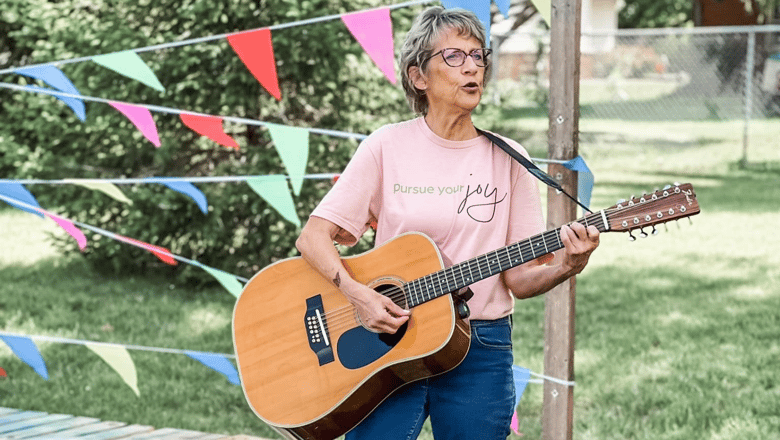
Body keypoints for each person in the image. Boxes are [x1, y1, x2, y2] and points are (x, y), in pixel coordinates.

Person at [295, 6, 600, 440]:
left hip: (479, 347)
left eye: (478, 56)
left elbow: (519, 278)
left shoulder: (509, 158)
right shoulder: (387, 146)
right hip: (386, 343)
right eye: (455, 57)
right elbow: (313, 238)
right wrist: (358, 295)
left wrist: (567, 266)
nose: (472, 67)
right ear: (419, 76)